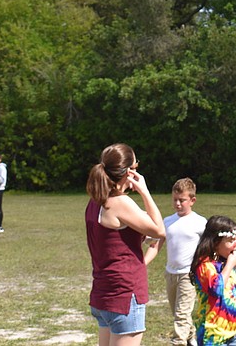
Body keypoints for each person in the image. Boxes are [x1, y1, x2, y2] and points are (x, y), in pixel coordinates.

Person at [85, 143, 165, 346]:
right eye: (136, 166)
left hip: (104, 293)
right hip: (124, 295)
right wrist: (145, 192)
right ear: (129, 171)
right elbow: (159, 230)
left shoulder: (95, 202)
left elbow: (115, 240)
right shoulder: (121, 203)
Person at [145, 178, 207, 346]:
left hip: (189, 275)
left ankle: (178, 342)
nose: (178, 204)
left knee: (181, 314)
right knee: (178, 313)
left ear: (192, 200)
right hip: (170, 273)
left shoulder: (200, 223)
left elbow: (210, 248)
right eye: (175, 200)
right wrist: (142, 263)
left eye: (182, 200)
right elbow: (156, 243)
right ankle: (191, 336)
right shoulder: (167, 221)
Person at [190, 215, 236, 345]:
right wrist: (230, 265)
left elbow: (230, 290)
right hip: (213, 333)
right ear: (215, 243)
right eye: (231, 240)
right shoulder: (204, 265)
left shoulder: (224, 262)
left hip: (232, 329)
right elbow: (216, 289)